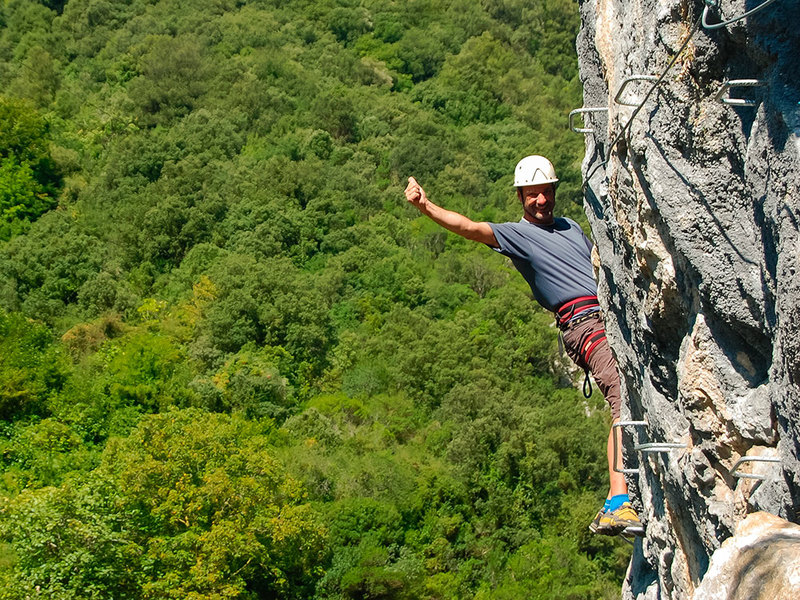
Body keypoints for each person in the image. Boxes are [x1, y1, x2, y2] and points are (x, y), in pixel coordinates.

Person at [404, 155, 641, 535]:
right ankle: (617, 500)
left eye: (546, 192)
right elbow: (468, 227)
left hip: (609, 314)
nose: (541, 201)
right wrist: (425, 206)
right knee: (623, 397)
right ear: (520, 197)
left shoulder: (572, 228)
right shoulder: (517, 235)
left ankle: (626, 494)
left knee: (637, 394)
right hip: (582, 324)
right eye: (532, 195)